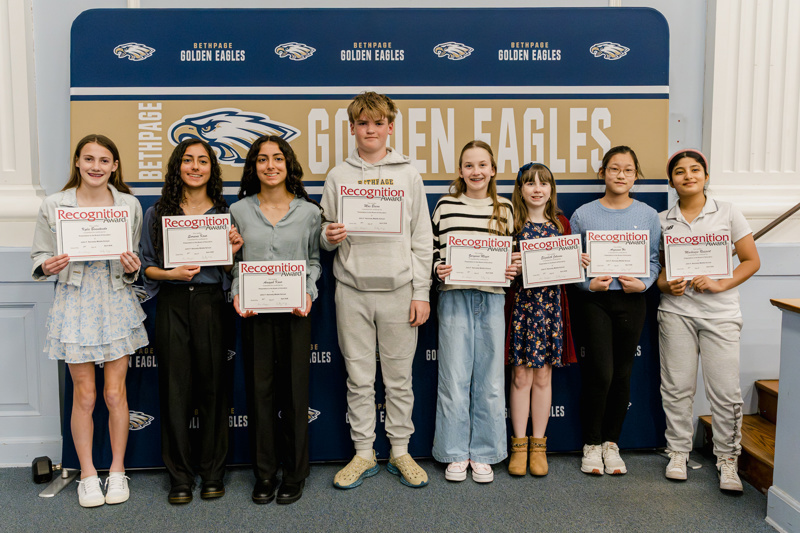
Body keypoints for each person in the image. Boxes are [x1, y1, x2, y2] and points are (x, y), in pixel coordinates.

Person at [321, 91, 433, 489]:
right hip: (351, 289)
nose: (371, 129)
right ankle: (364, 452)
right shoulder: (338, 176)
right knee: (359, 377)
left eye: (378, 122)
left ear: (390, 126)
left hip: (400, 290)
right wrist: (329, 235)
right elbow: (326, 233)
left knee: (400, 379)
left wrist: (422, 291)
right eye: (363, 123)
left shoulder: (408, 174)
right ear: (352, 129)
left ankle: (400, 450)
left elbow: (422, 237)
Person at [31, 134, 147, 507]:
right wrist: (47, 265)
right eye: (89, 159)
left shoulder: (128, 205)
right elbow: (40, 255)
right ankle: (87, 474)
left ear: (115, 166)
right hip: (75, 302)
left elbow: (133, 262)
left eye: (104, 160)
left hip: (115, 300)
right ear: (77, 163)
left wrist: (132, 269)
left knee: (115, 393)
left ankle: (116, 471)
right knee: (85, 395)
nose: (96, 166)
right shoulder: (55, 204)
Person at [140, 138, 242, 504]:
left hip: (212, 305)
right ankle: (179, 476)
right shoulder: (157, 213)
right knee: (175, 391)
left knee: (214, 390)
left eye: (203, 161)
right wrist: (172, 274)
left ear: (212, 169)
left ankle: (213, 472)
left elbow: (231, 272)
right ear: (177, 167)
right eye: (188, 160)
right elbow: (145, 265)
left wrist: (230, 252)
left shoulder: (225, 215)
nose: (195, 167)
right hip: (172, 304)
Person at [657, 149, 759, 491]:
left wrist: (721, 282)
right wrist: (666, 285)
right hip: (676, 313)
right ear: (671, 180)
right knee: (676, 388)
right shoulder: (661, 219)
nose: (688, 176)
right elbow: (658, 275)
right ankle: (678, 451)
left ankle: (728, 459)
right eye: (680, 172)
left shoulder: (728, 212)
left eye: (695, 170)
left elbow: (750, 260)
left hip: (721, 314)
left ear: (706, 175)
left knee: (726, 392)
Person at [231, 135, 322, 505]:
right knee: (260, 394)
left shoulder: (310, 212)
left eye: (278, 158)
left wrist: (308, 292)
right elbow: (234, 262)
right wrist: (237, 290)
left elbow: (315, 261)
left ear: (288, 165)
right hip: (254, 314)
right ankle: (265, 473)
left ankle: (296, 473)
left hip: (296, 312)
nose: (271, 165)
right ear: (254, 167)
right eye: (263, 159)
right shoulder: (237, 211)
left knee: (296, 395)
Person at [569, 145, 661, 476]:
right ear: (602, 173)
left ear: (636, 175)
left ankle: (611, 442)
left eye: (627, 170)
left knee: (623, 375)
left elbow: (653, 260)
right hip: (596, 300)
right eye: (614, 169)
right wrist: (585, 284)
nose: (620, 175)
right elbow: (572, 262)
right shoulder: (583, 214)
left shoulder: (648, 215)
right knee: (601, 374)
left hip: (631, 300)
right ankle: (591, 444)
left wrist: (646, 283)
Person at [430, 140, 515, 483]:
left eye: (482, 165)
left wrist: (511, 269)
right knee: (453, 377)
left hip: (492, 298)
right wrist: (438, 268)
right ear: (460, 171)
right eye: (469, 165)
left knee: (491, 380)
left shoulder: (505, 208)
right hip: (454, 297)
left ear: (493, 169)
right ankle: (453, 452)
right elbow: (434, 251)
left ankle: (484, 452)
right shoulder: (445, 205)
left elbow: (510, 257)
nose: (476, 171)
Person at [507, 162, 588, 477]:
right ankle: (519, 446)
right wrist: (509, 264)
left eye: (544, 183)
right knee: (520, 378)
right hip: (522, 309)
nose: (537, 189)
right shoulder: (511, 223)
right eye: (530, 183)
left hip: (550, 308)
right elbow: (501, 269)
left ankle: (539, 445)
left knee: (542, 378)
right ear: (520, 189)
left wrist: (576, 261)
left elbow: (569, 273)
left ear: (551, 190)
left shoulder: (561, 225)